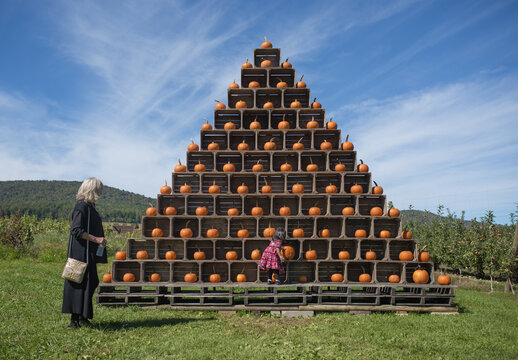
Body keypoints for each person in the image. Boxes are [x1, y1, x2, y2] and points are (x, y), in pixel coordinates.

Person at [62, 177, 107, 329]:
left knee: (91, 281)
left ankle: (82, 315)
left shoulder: (90, 206)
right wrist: (96, 239)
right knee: (78, 281)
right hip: (80, 252)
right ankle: (73, 320)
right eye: (100, 189)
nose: (101, 192)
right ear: (93, 189)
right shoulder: (81, 207)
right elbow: (76, 230)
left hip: (88, 252)